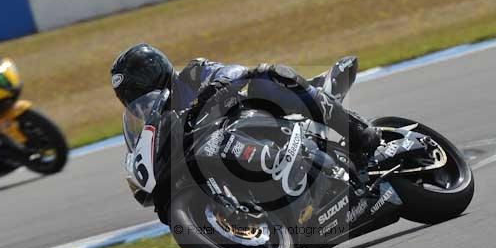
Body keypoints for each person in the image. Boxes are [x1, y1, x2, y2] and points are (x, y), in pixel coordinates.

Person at [111, 43, 381, 161]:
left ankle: (357, 129)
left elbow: (234, 72)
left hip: (257, 115)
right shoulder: (157, 124)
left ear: (152, 74)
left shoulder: (192, 74)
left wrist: (215, 87)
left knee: (268, 76)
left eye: (137, 89)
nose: (134, 99)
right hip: (231, 153)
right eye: (128, 97)